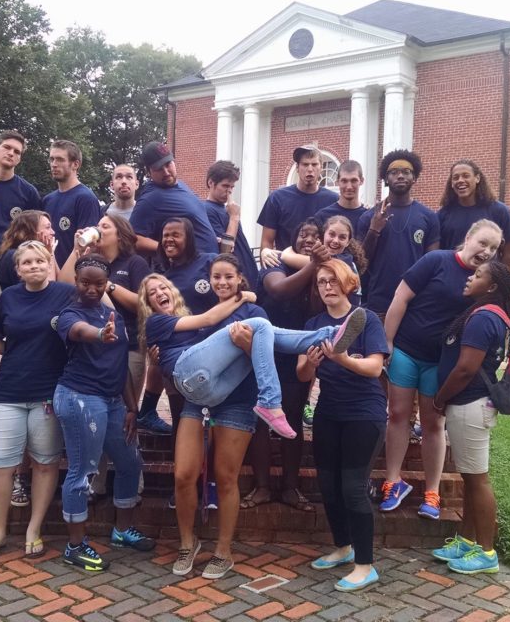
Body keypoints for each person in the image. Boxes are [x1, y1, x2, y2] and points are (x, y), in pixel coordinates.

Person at [139, 273, 364, 442]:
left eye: (163, 287)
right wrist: (243, 296)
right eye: (153, 292)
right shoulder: (155, 321)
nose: (160, 293)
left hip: (210, 393)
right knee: (260, 324)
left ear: (172, 292)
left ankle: (329, 338)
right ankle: (270, 401)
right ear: (148, 303)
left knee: (260, 336)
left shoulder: (182, 323)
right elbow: (208, 319)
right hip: (187, 374)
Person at [379, 220, 503, 517]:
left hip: (440, 363)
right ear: (468, 237)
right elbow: (401, 298)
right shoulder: (436, 261)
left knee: (433, 424)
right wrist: (387, 341)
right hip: (407, 351)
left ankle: (432, 493)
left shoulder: (484, 281)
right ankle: (393, 481)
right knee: (397, 415)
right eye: (482, 243)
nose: (486, 251)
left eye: (494, 248)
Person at [0, 241, 75, 561]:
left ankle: (34, 528)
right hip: (8, 392)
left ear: (49, 264)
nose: (33, 266)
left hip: (48, 391)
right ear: (17, 270)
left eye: (39, 261)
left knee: (45, 463)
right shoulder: (8, 299)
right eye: (26, 262)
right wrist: (18, 353)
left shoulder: (64, 294)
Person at [167, 254, 265, 579]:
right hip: (198, 402)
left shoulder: (255, 313)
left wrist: (249, 346)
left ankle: (223, 550)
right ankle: (187, 542)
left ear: (240, 279)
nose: (221, 283)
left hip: (237, 402)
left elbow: (267, 362)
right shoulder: (205, 314)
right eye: (216, 277)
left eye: (228, 277)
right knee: (183, 474)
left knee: (226, 478)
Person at [430, 260, 510, 575]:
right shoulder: (489, 314)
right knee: (470, 479)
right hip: (472, 405)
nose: (469, 278)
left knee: (478, 480)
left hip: (469, 405)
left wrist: (439, 398)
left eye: (477, 275)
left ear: (491, 287)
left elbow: (465, 369)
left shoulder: (483, 318)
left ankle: (487, 552)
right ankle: (468, 541)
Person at [54, 255, 153, 572]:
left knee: (130, 462)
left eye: (99, 283)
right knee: (83, 471)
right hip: (80, 398)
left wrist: (132, 406)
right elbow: (79, 332)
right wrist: (98, 335)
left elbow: (120, 364)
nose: (92, 288)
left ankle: (122, 531)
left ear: (107, 282)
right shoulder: (70, 313)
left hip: (113, 402)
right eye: (86, 282)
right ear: (77, 281)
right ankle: (75, 546)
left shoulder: (113, 315)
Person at [297, 259, 388, 592]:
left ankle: (365, 565)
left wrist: (343, 358)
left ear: (348, 283)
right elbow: (302, 375)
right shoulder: (314, 323)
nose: (327, 286)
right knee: (328, 484)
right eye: (321, 282)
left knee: (352, 487)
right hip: (329, 411)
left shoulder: (367, 321)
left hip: (364, 412)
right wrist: (311, 361)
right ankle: (343, 547)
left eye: (333, 280)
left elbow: (376, 368)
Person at [242, 220, 328, 511]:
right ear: (293, 238)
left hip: (301, 350)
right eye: (303, 233)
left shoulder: (322, 271)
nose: (309, 239)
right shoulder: (273, 264)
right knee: (261, 418)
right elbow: (278, 291)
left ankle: (291, 487)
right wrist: (313, 265)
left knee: (292, 416)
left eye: (315, 235)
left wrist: (319, 268)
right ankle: (262, 486)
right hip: (268, 349)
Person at [90, 215, 170, 435]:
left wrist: (110, 286)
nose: (98, 229)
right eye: (97, 226)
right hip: (97, 345)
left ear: (120, 234)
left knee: (126, 411)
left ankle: (126, 463)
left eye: (105, 226)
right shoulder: (92, 262)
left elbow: (144, 304)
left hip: (130, 345)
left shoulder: (135, 263)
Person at [358, 149, 441, 317]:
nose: (400, 176)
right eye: (394, 172)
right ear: (386, 180)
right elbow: (360, 263)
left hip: (415, 304)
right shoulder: (369, 217)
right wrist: (374, 230)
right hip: (378, 304)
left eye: (406, 172)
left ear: (414, 178)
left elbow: (433, 264)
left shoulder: (429, 217)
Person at [258, 142, 339, 267]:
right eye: (305, 164)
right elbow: (267, 242)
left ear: (321, 167)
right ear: (297, 167)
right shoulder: (277, 198)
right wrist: (268, 269)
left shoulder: (333, 200)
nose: (310, 169)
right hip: (286, 268)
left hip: (321, 270)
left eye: (314, 164)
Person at [129, 141, 218, 256]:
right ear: (149, 171)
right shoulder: (151, 198)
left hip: (210, 264)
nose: (166, 172)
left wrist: (213, 238)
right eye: (159, 168)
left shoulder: (182, 185)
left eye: (168, 164)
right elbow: (132, 239)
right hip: (188, 269)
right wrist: (165, 248)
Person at [437, 160, 510, 266]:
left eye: (466, 176)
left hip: (484, 280)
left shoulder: (500, 211)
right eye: (455, 177)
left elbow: (509, 256)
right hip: (449, 278)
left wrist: (492, 279)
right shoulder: (443, 214)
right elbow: (437, 253)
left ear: (477, 178)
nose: (460, 180)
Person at [280, 215, 367, 306]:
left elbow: (288, 258)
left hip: (349, 315)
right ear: (323, 236)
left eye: (342, 237)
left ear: (348, 242)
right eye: (332, 234)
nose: (335, 240)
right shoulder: (337, 256)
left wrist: (286, 251)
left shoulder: (342, 260)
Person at [43, 140, 102, 268]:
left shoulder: (86, 199)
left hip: (73, 276)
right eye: (51, 159)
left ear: (75, 164)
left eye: (60, 159)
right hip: (47, 273)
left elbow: (87, 247)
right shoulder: (47, 200)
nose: (54, 164)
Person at [202, 161, 258, 287]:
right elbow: (225, 251)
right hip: (234, 283)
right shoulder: (206, 210)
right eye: (225, 186)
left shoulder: (227, 209)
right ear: (211, 183)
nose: (229, 191)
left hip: (248, 278)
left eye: (232, 187)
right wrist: (234, 217)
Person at [158, 217, 218, 315]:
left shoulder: (211, 261)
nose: (169, 239)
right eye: (165, 236)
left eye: (175, 235)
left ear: (189, 239)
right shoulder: (164, 280)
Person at [0, 210, 57, 290]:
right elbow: (48, 289)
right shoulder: (13, 255)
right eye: (47, 227)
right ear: (31, 231)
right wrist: (50, 254)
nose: (53, 232)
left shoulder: (45, 251)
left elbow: (61, 281)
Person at [314, 160, 368, 231]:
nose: (349, 187)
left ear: (361, 181)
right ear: (337, 182)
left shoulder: (368, 216)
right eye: (344, 181)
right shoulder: (323, 216)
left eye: (354, 181)